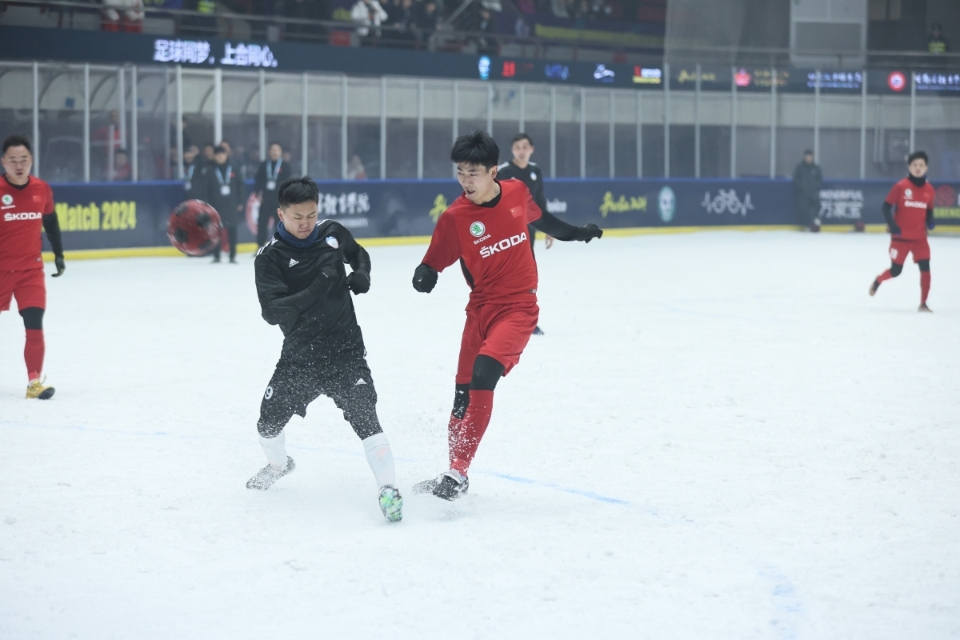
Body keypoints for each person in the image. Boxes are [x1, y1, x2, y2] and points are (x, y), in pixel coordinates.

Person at [410, 131, 602, 500]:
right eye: (460, 173)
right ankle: (456, 473)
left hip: (519, 307)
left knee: (484, 373)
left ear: (493, 172)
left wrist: (578, 233)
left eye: (474, 173)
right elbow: (433, 260)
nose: (466, 181)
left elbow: (542, 219)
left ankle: (456, 471)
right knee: (462, 396)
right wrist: (425, 274)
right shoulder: (455, 217)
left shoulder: (516, 192)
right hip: (479, 310)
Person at [249, 176, 402, 522]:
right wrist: (318, 287)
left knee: (367, 419)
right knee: (267, 427)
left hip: (346, 352)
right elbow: (272, 313)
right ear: (281, 214)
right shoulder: (270, 257)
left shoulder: (331, 233)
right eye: (297, 217)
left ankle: (389, 490)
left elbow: (358, 254)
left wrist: (362, 273)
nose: (306, 224)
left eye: (311, 215)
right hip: (299, 359)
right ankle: (279, 465)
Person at [0, 134, 66, 399]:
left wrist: (58, 254)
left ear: (32, 160)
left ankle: (34, 382)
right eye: (13, 160)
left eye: (24, 159)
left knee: (34, 323)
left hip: (30, 271)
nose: (19, 165)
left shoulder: (41, 189)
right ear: (3, 162)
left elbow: (51, 222)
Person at [496, 132, 553, 335]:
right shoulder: (503, 172)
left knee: (527, 277)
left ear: (531, 149)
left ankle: (526, 320)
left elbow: (540, 200)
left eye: (525, 147)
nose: (521, 151)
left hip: (528, 232)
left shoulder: (535, 171)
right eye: (518, 147)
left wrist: (548, 227)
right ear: (512, 150)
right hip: (506, 234)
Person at [869, 150, 936, 312]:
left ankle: (923, 303)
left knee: (926, 268)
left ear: (926, 168)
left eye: (921, 165)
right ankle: (878, 280)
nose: (918, 168)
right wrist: (893, 226)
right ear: (909, 167)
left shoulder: (929, 190)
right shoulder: (901, 186)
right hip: (901, 239)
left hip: (920, 239)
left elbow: (929, 209)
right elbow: (886, 207)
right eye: (915, 165)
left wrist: (930, 220)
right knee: (896, 271)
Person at [202, 145, 244, 263]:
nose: (220, 157)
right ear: (214, 156)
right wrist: (207, 205)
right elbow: (206, 189)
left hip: (231, 203)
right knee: (216, 231)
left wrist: (241, 201)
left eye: (222, 154)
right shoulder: (210, 170)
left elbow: (240, 185)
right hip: (216, 205)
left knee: (232, 230)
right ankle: (216, 255)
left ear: (226, 155)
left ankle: (232, 255)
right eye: (218, 154)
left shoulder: (234, 168)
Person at [254, 142, 293, 248]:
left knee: (279, 224)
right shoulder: (264, 165)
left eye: (277, 150)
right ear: (269, 151)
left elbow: (289, 182)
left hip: (279, 200)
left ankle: (280, 246)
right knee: (262, 223)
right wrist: (258, 193)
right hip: (265, 199)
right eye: (272, 149)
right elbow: (258, 180)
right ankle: (260, 246)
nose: (274, 152)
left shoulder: (285, 165)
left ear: (280, 152)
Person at [792, 150, 823, 232]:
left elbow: (819, 180)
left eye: (810, 157)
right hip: (803, 194)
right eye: (807, 157)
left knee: (814, 209)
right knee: (804, 210)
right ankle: (807, 225)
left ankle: (814, 225)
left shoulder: (816, 168)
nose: (809, 158)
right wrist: (802, 187)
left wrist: (814, 187)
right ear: (804, 157)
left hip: (813, 193)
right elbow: (796, 179)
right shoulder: (800, 168)